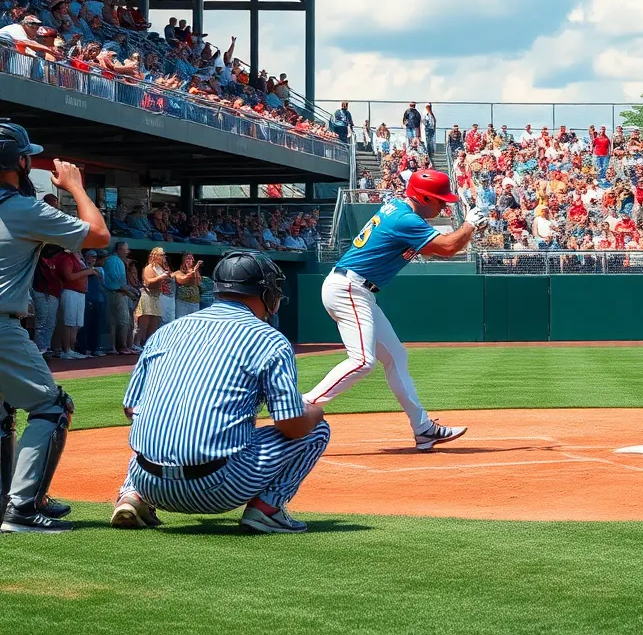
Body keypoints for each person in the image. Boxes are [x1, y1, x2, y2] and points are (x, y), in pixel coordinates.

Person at [110, 251, 330, 533]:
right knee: (316, 429)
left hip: (148, 480)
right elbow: (290, 426)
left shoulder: (167, 331)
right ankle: (266, 509)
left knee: (158, 424)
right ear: (264, 292)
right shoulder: (269, 339)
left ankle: (132, 497)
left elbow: (131, 408)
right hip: (219, 488)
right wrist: (313, 412)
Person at [303, 170, 488, 450]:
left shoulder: (401, 210)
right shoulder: (404, 218)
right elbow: (448, 248)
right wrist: (469, 226)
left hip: (355, 288)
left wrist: (467, 232)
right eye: (439, 200)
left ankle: (424, 429)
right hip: (349, 288)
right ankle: (302, 406)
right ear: (423, 197)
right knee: (363, 360)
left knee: (395, 357)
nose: (443, 206)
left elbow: (434, 249)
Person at [0, 121, 109, 532]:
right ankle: (23, 508)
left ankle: (12, 499)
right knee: (52, 406)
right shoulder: (22, 208)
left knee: (2, 410)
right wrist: (76, 188)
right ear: (18, 162)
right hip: (1, 325)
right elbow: (98, 235)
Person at [102, 242, 136, 354]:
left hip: (120, 293)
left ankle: (118, 347)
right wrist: (129, 292)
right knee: (122, 321)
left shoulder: (119, 261)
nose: (127, 252)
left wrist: (131, 289)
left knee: (120, 321)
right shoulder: (113, 261)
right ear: (119, 249)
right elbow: (115, 282)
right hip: (115, 294)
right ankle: (121, 347)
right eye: (126, 249)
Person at [136, 248, 171, 344]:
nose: (163, 256)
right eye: (161, 255)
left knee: (154, 323)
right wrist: (161, 277)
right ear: (155, 256)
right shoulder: (149, 267)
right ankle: (137, 342)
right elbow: (148, 281)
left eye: (163, 254)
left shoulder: (160, 268)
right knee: (144, 323)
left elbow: (169, 280)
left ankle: (148, 342)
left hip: (156, 296)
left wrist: (167, 275)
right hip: (148, 295)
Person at [174, 253, 203, 319]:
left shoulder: (195, 271)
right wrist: (192, 272)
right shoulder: (178, 272)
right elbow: (182, 280)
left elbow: (198, 282)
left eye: (192, 258)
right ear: (184, 260)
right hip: (183, 302)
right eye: (189, 258)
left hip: (195, 302)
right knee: (181, 321)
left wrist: (195, 271)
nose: (192, 260)